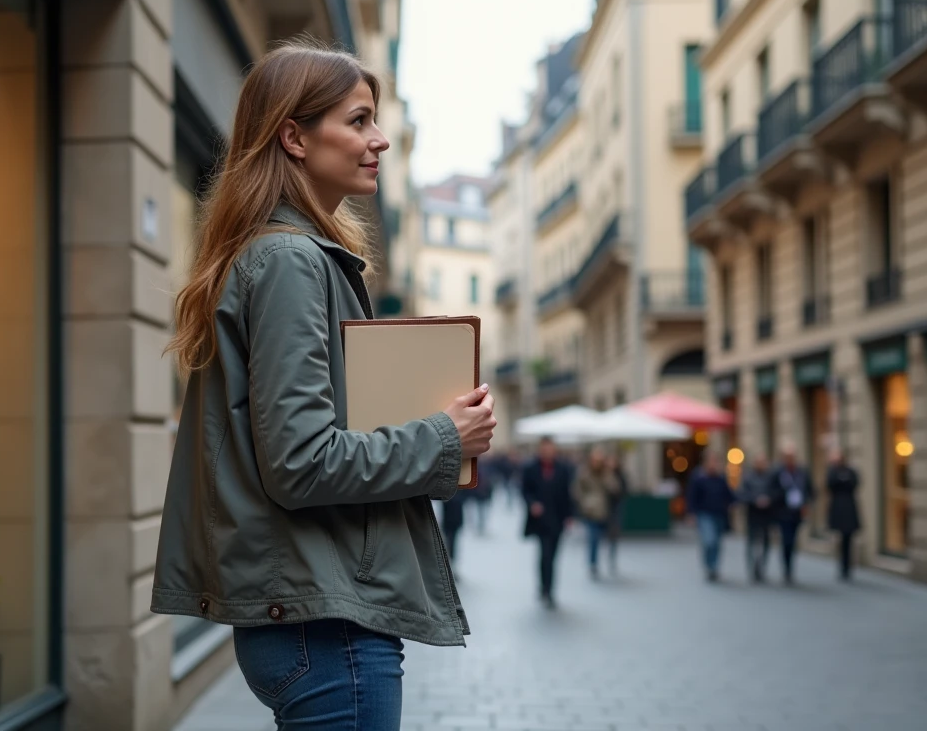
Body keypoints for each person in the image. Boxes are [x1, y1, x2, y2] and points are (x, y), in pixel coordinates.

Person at [151, 42, 498, 730]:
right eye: (360, 120)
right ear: (295, 137)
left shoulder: (286, 255)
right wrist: (442, 436)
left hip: (315, 613)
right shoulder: (289, 261)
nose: (381, 140)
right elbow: (301, 462)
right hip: (326, 621)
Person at [522, 437, 576, 608]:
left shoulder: (563, 469)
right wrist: (532, 504)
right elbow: (525, 490)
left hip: (557, 518)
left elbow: (568, 493)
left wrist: (569, 516)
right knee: (545, 554)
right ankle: (546, 589)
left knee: (552, 556)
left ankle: (548, 587)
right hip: (540, 520)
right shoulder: (531, 468)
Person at [572, 447, 622, 580]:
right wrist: (584, 503)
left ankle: (610, 560)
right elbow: (577, 490)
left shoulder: (607, 474)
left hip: (606, 512)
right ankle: (593, 563)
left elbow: (616, 489)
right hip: (591, 512)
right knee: (593, 538)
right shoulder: (584, 473)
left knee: (610, 538)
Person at [686, 452, 735, 582]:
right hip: (704, 514)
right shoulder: (699, 477)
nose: (713, 464)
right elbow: (692, 496)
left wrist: (732, 503)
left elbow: (729, 495)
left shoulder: (721, 478)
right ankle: (709, 565)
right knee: (709, 540)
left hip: (719, 514)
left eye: (715, 461)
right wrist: (691, 513)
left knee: (717, 543)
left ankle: (714, 567)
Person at [773, 443, 813, 584]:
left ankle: (790, 566)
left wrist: (806, 504)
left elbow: (810, 490)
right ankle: (787, 568)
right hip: (783, 512)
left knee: (793, 540)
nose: (790, 459)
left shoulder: (802, 472)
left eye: (792, 456)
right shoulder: (778, 472)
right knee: (786, 540)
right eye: (787, 456)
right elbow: (773, 490)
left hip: (797, 512)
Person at [737, 453, 777, 583]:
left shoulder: (771, 477)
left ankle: (761, 567)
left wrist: (769, 500)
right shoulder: (748, 477)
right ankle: (752, 567)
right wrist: (755, 500)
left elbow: (777, 492)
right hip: (753, 514)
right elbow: (742, 494)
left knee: (765, 542)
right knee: (751, 541)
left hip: (767, 515)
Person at [825, 451, 861, 582]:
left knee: (848, 538)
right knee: (840, 538)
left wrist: (842, 481)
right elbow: (830, 484)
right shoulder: (832, 471)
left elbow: (854, 483)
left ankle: (847, 566)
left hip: (849, 509)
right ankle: (842, 565)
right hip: (838, 509)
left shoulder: (850, 471)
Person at [604, 452, 629, 575]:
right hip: (601, 510)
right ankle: (596, 561)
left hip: (614, 510)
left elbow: (624, 491)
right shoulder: (602, 474)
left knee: (613, 536)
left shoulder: (620, 476)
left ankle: (611, 558)